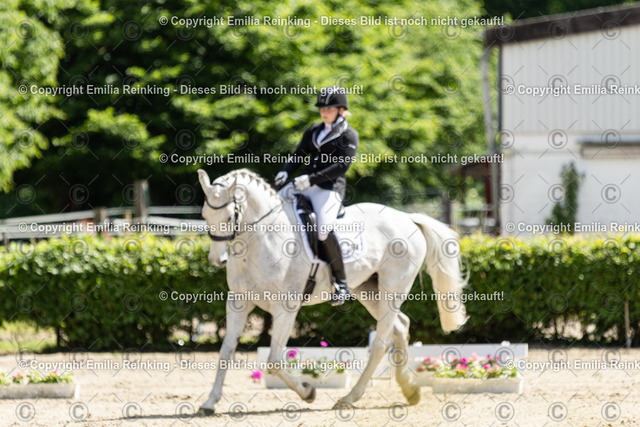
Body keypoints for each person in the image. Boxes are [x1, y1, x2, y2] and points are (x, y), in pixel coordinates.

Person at [274, 86, 359, 306]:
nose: (324, 112)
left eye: (329, 109)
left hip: (329, 188)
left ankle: (341, 283)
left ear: (341, 110)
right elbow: (299, 154)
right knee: (273, 206)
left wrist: (311, 180)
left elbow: (341, 166)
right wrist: (286, 171)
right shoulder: (313, 130)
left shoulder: (349, 135)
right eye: (322, 109)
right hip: (304, 183)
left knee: (323, 230)